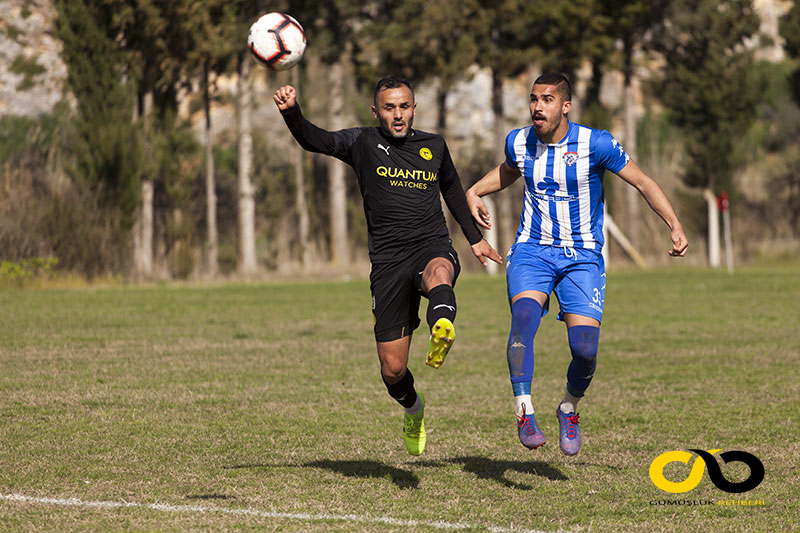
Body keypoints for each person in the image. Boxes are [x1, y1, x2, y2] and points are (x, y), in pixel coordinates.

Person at [274, 76, 502, 456]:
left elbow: (451, 190)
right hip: (388, 263)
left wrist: (475, 239)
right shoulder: (361, 142)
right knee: (393, 370)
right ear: (376, 111)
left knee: (440, 273)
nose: (398, 115)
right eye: (390, 108)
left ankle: (441, 325)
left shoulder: (434, 145)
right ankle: (414, 408)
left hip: (431, 244)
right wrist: (292, 113)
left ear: (414, 108)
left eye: (405, 107)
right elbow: (314, 139)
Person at [466, 73, 688, 456]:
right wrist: (473, 191)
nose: (538, 107)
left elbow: (643, 182)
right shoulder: (518, 141)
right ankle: (524, 411)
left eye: (548, 100)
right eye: (534, 99)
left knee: (584, 349)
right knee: (522, 321)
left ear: (565, 106)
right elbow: (508, 170)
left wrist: (675, 224)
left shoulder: (595, 143)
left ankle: (568, 408)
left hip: (583, 256)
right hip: (532, 250)